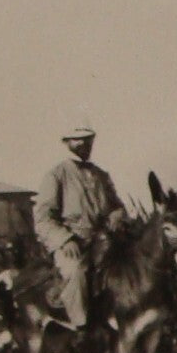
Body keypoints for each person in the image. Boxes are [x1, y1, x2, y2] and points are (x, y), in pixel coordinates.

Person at [33, 122, 129, 330]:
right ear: (66, 142)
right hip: (73, 241)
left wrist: (117, 214)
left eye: (88, 139)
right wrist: (64, 240)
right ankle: (81, 327)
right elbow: (43, 218)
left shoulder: (101, 175)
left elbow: (117, 205)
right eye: (78, 139)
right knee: (77, 271)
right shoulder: (56, 175)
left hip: (103, 239)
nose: (84, 143)